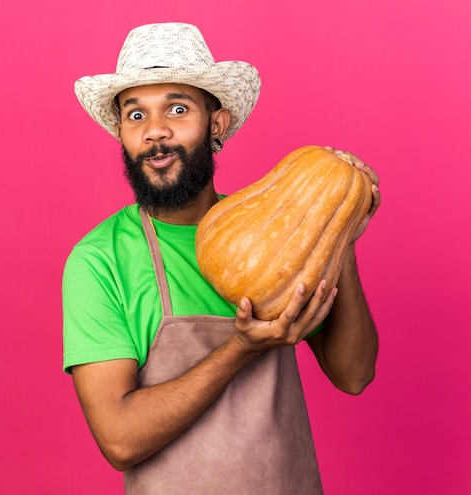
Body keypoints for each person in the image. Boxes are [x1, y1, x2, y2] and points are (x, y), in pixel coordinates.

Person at [63, 22, 381, 495]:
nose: (155, 132)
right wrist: (241, 348)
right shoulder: (99, 260)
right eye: (135, 115)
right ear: (121, 133)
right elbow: (120, 440)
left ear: (217, 123)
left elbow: (354, 374)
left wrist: (337, 229)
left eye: (177, 108)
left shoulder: (275, 236)